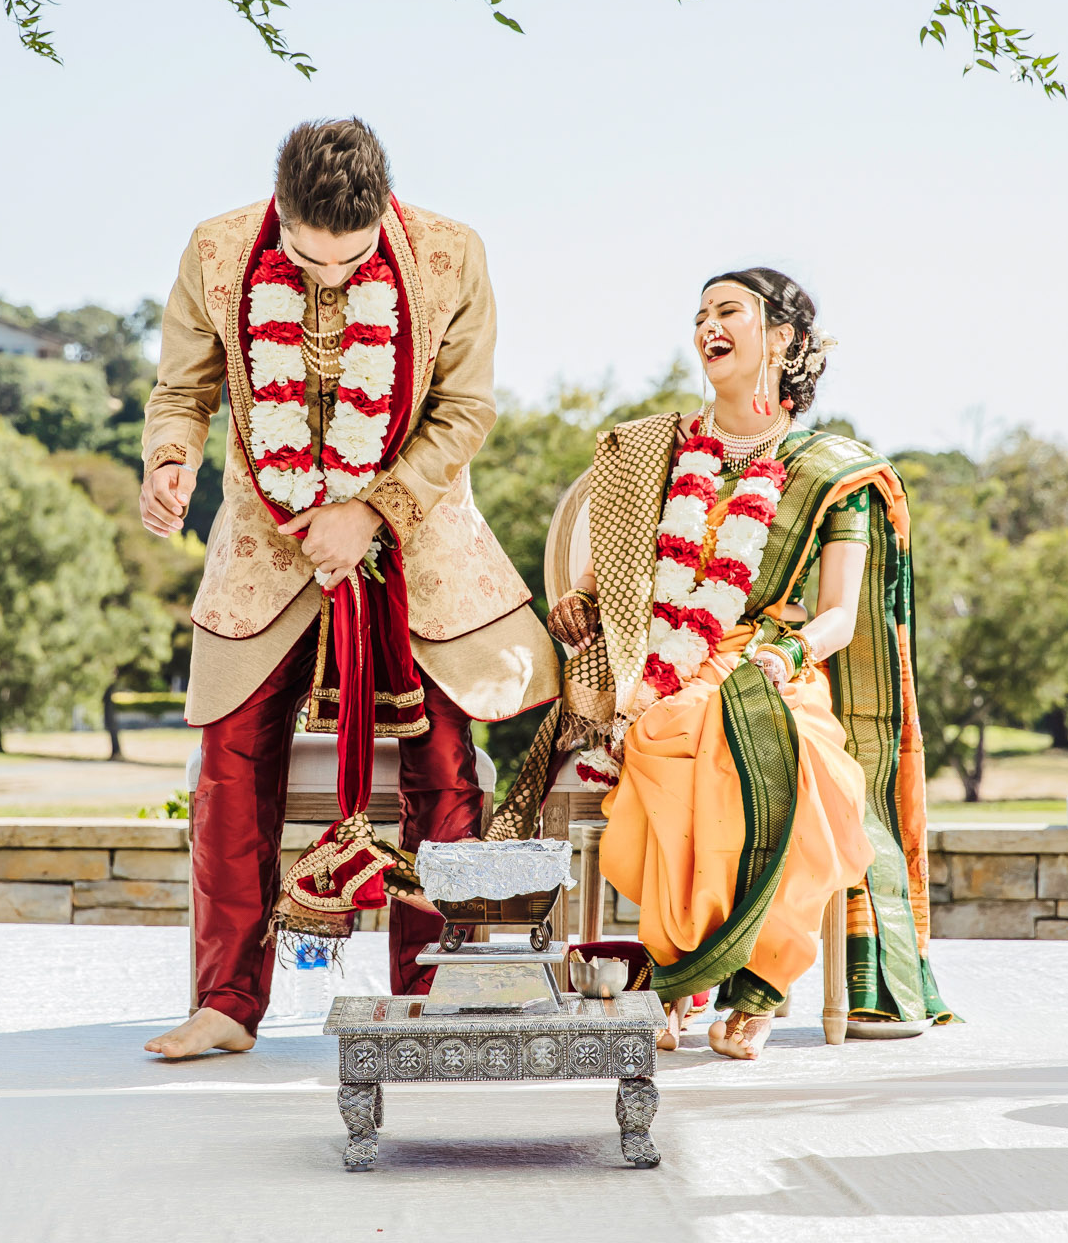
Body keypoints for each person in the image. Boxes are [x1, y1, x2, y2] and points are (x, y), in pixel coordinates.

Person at [139, 119, 557, 1060]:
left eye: (352, 259)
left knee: (444, 764)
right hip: (265, 543)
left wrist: (371, 512)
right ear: (276, 212)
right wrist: (170, 461)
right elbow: (183, 392)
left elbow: (465, 411)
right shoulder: (214, 250)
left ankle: (435, 995)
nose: (329, 278)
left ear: (384, 217)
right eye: (304, 258)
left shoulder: (453, 254)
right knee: (229, 758)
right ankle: (226, 1005)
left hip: (417, 537)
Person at [511, 267, 948, 1059]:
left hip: (770, 659)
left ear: (779, 337)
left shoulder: (832, 471)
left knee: (798, 761)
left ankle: (762, 980)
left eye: (728, 311)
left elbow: (841, 616)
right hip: (663, 655)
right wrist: (582, 595)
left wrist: (788, 656)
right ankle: (686, 969)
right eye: (700, 314)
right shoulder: (658, 448)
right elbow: (618, 555)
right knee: (668, 730)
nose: (707, 325)